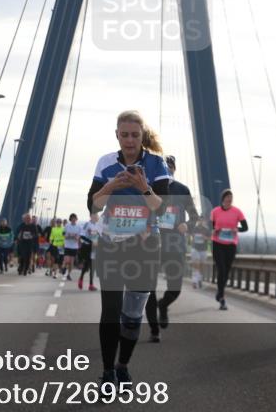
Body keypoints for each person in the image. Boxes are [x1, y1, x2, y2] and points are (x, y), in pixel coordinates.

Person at [87, 110, 170, 388]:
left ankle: (123, 365)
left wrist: (143, 187)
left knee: (133, 314)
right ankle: (108, 372)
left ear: (142, 136)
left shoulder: (157, 164)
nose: (130, 140)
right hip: (112, 244)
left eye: (135, 135)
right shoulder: (106, 163)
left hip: (145, 246)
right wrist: (111, 185)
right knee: (110, 310)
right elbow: (94, 205)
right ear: (117, 135)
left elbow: (163, 209)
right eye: (125, 135)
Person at [146, 154, 199, 342]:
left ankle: (164, 305)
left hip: (175, 246)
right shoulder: (149, 189)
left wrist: (188, 225)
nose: (167, 169)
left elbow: (194, 217)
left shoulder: (183, 190)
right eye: (163, 166)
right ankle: (154, 330)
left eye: (170, 167)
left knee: (175, 289)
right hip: (152, 245)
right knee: (148, 288)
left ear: (174, 169)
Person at [210, 189, 247, 310]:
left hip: (231, 245)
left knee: (226, 272)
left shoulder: (237, 212)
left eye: (231, 200)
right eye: (227, 199)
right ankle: (222, 298)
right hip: (217, 243)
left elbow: (245, 227)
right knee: (221, 269)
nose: (229, 201)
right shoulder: (215, 211)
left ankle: (219, 293)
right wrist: (215, 230)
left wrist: (237, 229)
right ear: (223, 200)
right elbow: (211, 227)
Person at [76, 212, 101, 291]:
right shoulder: (87, 224)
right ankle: (81, 279)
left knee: (92, 267)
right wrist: (91, 242)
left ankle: (90, 284)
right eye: (95, 215)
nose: (97, 216)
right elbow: (82, 236)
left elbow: (99, 236)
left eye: (97, 215)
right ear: (91, 216)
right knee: (87, 265)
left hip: (94, 248)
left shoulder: (98, 226)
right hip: (87, 247)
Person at [188, 217, 210, 288]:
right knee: (196, 265)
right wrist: (192, 237)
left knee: (202, 266)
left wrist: (205, 238)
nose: (200, 222)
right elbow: (189, 237)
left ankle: (200, 280)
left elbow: (210, 238)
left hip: (203, 249)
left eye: (202, 220)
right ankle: (194, 281)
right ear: (197, 221)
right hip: (195, 248)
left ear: (204, 221)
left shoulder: (206, 229)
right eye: (199, 220)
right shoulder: (194, 229)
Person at [61, 213, 81, 281]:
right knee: (67, 259)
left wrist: (76, 237)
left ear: (76, 219)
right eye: (72, 218)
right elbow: (63, 233)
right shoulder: (67, 225)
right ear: (70, 219)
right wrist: (67, 236)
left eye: (74, 218)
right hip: (67, 245)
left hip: (74, 246)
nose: (73, 219)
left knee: (71, 262)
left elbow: (79, 236)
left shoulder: (79, 227)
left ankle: (68, 274)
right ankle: (63, 268)